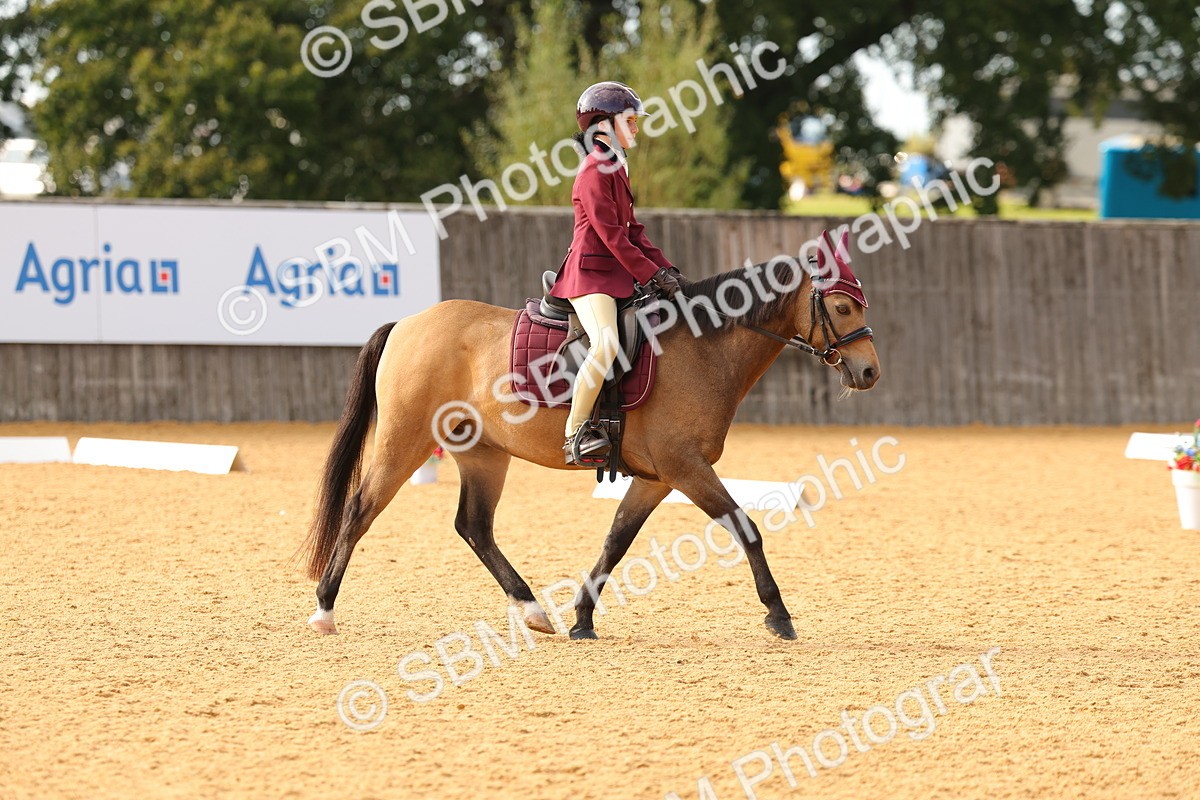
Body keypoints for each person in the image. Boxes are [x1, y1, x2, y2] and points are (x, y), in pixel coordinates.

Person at [547, 81, 682, 465]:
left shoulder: (615, 168)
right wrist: (650, 275)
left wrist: (666, 269)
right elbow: (609, 237)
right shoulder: (593, 171)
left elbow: (633, 231)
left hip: (616, 276)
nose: (637, 129)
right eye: (631, 121)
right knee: (606, 344)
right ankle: (575, 433)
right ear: (603, 125)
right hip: (589, 276)